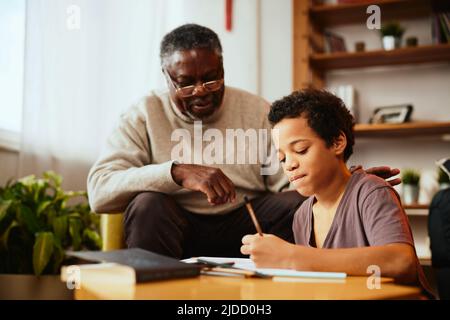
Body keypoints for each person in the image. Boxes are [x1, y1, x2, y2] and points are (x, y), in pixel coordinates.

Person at [87, 24, 400, 260]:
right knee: (147, 205)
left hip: (247, 222)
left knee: (298, 204)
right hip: (173, 226)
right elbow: (99, 191)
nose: (201, 91)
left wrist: (344, 184)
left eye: (212, 78)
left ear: (223, 69)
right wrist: (176, 172)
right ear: (166, 77)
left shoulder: (255, 109)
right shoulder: (142, 114)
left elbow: (292, 181)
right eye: (185, 83)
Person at [240, 89, 433, 296]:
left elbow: (400, 261)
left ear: (337, 142)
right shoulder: (302, 216)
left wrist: (292, 256)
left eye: (301, 150)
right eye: (282, 158)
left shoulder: (372, 193)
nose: (290, 165)